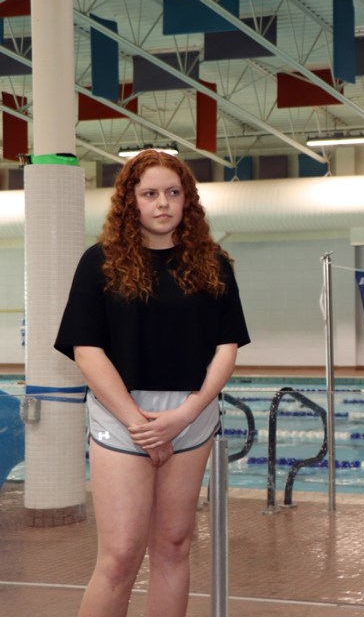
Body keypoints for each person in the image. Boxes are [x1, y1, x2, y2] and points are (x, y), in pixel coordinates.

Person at [54, 150, 250, 617]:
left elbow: (228, 347)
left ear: (187, 200)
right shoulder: (98, 263)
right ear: (131, 202)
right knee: (120, 555)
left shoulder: (214, 264)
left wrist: (187, 412)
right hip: (123, 413)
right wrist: (135, 422)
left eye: (173, 193)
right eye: (150, 194)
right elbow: (87, 349)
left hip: (192, 413)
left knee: (174, 545)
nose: (163, 203)